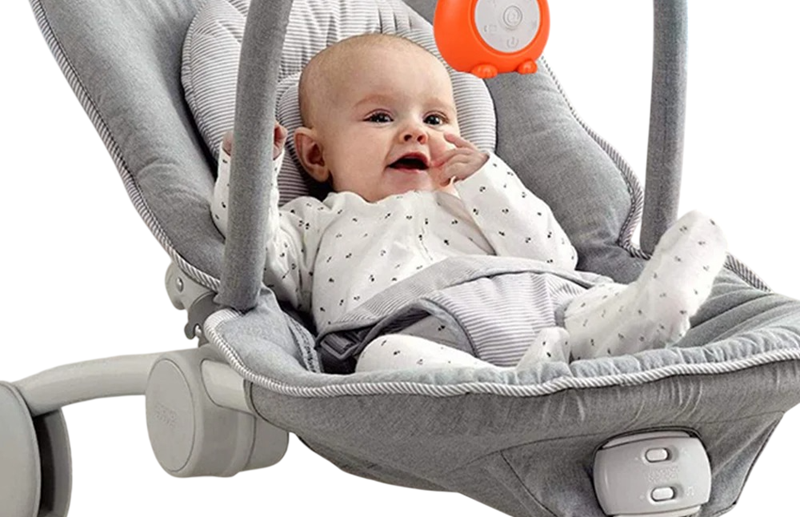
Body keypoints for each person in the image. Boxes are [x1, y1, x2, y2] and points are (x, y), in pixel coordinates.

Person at [211, 33, 727, 373]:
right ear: (316, 154)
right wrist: (252, 166)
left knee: (593, 307)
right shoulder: (316, 221)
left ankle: (652, 309)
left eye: (435, 120)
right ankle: (510, 387)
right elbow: (256, 256)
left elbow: (554, 258)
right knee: (381, 359)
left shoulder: (472, 198)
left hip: (540, 308)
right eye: (381, 118)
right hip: (410, 330)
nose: (416, 132)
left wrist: (486, 178)